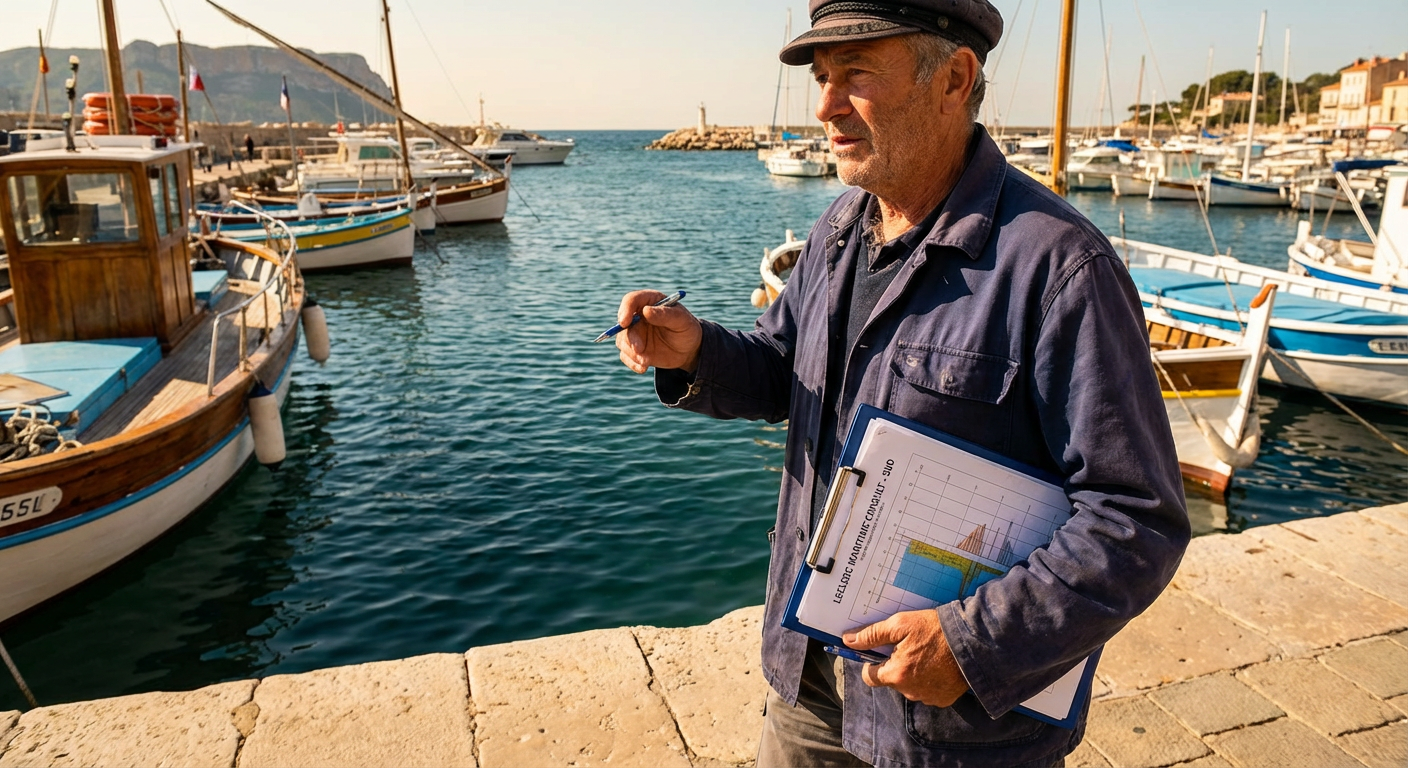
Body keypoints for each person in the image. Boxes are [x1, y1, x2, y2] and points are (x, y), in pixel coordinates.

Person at [612, 1, 1189, 766]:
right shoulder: (838, 230)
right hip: (807, 686)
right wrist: (695, 352)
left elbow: (1136, 519)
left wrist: (973, 643)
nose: (825, 106)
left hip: (956, 731)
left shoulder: (1061, 270)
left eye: (854, 73)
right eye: (821, 78)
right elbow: (784, 370)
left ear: (954, 79)